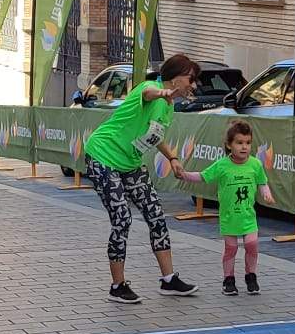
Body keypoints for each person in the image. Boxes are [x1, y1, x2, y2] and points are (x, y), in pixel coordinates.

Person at [82, 55, 200, 303]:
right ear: (175, 78)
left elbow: (154, 135)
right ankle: (117, 286)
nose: (194, 85)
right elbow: (148, 93)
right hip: (103, 156)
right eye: (191, 79)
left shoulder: (168, 106)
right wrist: (162, 93)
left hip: (130, 163)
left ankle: (169, 280)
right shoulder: (149, 88)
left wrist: (173, 158)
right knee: (122, 218)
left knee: (156, 214)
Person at [180, 120, 274, 296]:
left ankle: (251, 276)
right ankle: (228, 279)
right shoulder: (222, 165)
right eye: (239, 142)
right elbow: (202, 176)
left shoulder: (255, 164)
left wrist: (266, 194)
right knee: (231, 248)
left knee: (252, 244)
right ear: (229, 145)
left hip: (248, 216)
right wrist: (184, 175)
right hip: (229, 217)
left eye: (248, 142)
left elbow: (262, 182)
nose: (244, 147)